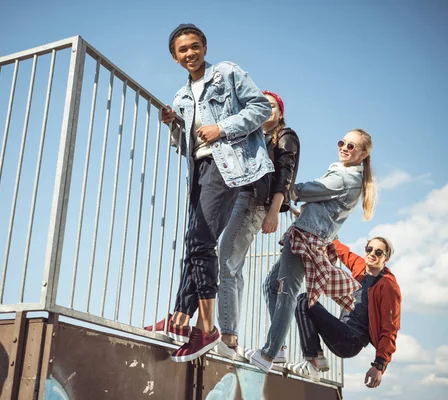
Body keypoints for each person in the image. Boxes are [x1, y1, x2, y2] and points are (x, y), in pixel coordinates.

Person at [153, 23, 274, 363]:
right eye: (182, 50)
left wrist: (221, 128)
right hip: (200, 172)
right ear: (175, 59)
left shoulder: (227, 73)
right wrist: (174, 128)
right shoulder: (181, 97)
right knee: (197, 242)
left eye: (194, 46)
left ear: (205, 47)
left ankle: (206, 330)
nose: (189, 53)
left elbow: (261, 109)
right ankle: (179, 320)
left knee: (199, 242)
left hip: (229, 167)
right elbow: (186, 146)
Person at [249, 129, 377, 372]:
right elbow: (322, 205)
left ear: (363, 154)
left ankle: (268, 355)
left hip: (305, 238)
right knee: (271, 285)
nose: (344, 148)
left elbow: (308, 189)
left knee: (286, 293)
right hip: (309, 233)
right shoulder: (348, 175)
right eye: (342, 142)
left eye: (351, 146)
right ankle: (278, 349)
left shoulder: (346, 178)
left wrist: (278, 188)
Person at [215, 90, 300, 361]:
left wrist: (274, 211)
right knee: (233, 266)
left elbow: (285, 175)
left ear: (281, 113)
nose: (266, 110)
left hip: (254, 202)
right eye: (261, 107)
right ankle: (231, 336)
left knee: (226, 261)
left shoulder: (286, 136)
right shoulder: (255, 138)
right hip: (240, 200)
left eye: (271, 106)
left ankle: (228, 338)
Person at [286, 237, 401, 388]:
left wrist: (379, 366)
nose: (372, 254)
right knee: (304, 300)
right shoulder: (360, 266)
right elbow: (340, 248)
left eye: (378, 252)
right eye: (369, 249)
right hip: (342, 331)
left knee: (304, 301)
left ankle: (312, 362)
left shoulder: (388, 286)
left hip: (352, 341)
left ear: (385, 258)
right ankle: (317, 358)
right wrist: (311, 224)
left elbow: (390, 329)